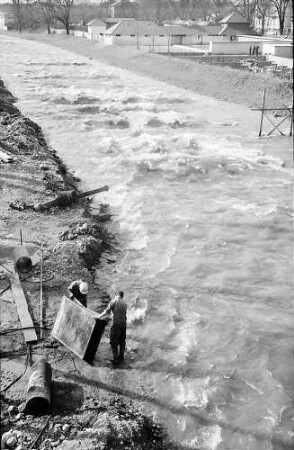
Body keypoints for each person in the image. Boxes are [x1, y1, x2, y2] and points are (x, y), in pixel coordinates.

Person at [97, 291, 127, 364]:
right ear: (122, 296)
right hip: (124, 324)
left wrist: (99, 316)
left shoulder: (113, 301)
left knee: (113, 341)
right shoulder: (125, 304)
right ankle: (122, 356)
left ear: (116, 295)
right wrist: (111, 317)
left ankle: (115, 359)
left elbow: (106, 311)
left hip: (116, 324)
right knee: (122, 341)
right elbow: (122, 315)